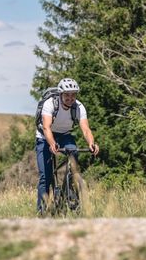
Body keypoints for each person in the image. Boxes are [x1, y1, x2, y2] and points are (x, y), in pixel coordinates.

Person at [35, 77, 99, 214]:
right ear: (60, 94)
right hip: (45, 137)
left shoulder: (79, 107)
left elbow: (86, 129)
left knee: (74, 153)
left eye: (73, 94)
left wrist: (91, 143)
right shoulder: (50, 104)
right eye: (67, 95)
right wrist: (52, 144)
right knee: (45, 176)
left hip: (64, 135)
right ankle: (42, 211)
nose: (70, 98)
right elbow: (46, 127)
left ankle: (70, 188)